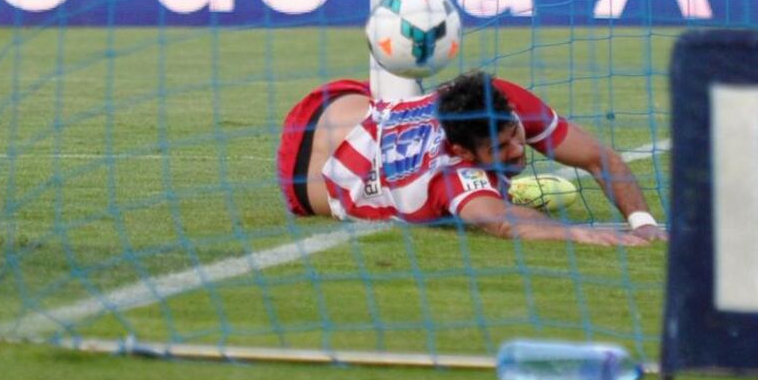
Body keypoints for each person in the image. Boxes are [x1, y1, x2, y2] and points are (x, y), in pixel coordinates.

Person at [277, 71, 667, 247]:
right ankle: (508, 189)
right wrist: (591, 236)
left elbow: (600, 159)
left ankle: (507, 186)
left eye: (515, 134)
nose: (518, 148)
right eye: (500, 148)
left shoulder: (504, 101)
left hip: (346, 102)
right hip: (310, 176)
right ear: (463, 152)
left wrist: (643, 223)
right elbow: (506, 225)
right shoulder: (452, 176)